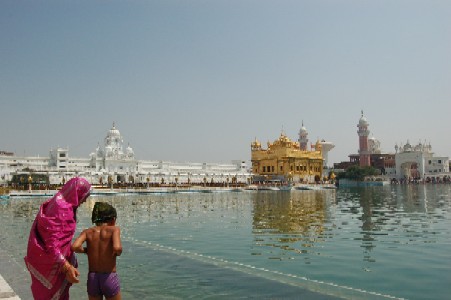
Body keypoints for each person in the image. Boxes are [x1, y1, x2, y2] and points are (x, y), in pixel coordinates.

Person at [24, 177, 91, 300]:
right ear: (77, 192)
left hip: (42, 258)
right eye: (85, 195)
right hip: (51, 263)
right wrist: (66, 267)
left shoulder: (58, 202)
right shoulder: (62, 210)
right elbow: (52, 244)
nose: (85, 200)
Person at [71, 202, 122, 300]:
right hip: (109, 276)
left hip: (93, 278)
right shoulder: (114, 230)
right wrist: (117, 253)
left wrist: (86, 250)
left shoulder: (88, 232)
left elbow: (75, 246)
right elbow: (117, 248)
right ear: (112, 219)